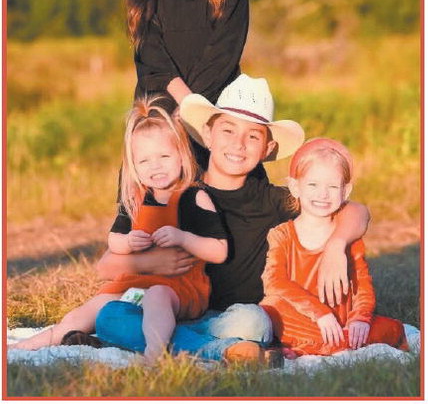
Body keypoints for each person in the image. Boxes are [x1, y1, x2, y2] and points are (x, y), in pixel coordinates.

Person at [94, 75, 371, 362]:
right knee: (109, 317)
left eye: (253, 136)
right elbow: (105, 266)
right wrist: (152, 262)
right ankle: (225, 350)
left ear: (267, 149)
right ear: (208, 135)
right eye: (228, 130)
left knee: (254, 322)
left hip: (235, 318)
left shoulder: (272, 200)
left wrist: (337, 245)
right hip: (174, 309)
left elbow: (356, 211)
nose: (238, 144)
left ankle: (195, 346)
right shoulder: (178, 192)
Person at [10, 96, 228, 364]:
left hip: (180, 288)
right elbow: (113, 239)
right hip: (136, 284)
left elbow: (219, 250)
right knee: (92, 307)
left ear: (182, 156)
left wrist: (184, 238)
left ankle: (155, 352)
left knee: (157, 297)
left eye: (164, 156)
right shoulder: (135, 199)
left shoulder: (193, 197)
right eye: (144, 161)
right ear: (133, 165)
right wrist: (127, 242)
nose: (155, 166)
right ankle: (35, 343)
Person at [260, 138, 408, 356]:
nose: (323, 194)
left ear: (345, 191)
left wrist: (360, 318)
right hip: (302, 317)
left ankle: (310, 347)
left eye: (332, 186)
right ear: (295, 187)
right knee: (270, 309)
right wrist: (320, 314)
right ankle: (327, 345)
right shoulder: (281, 234)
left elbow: (362, 285)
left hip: (341, 319)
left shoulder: (348, 236)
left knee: (388, 328)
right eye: (313, 185)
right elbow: (274, 282)